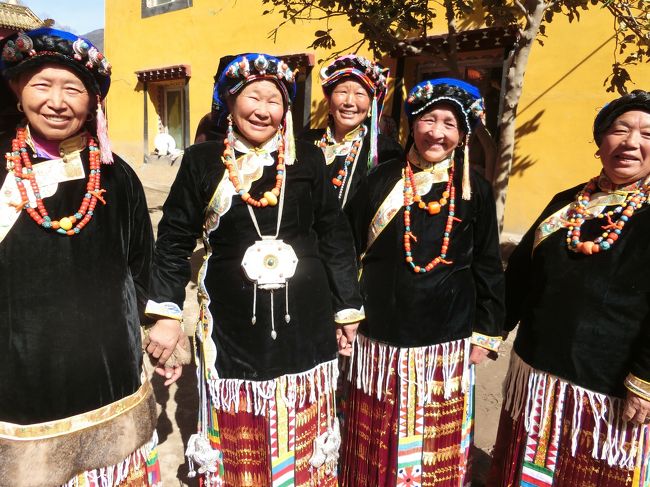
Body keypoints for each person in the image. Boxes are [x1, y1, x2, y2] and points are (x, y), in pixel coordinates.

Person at [145, 53, 364, 486]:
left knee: (302, 423)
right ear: (230, 100)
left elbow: (335, 236)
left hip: (306, 319)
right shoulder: (202, 161)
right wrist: (166, 314)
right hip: (231, 323)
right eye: (253, 96)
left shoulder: (307, 161)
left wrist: (347, 309)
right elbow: (172, 240)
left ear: (286, 110)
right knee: (240, 424)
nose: (264, 110)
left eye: (275, 100)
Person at [0, 28, 161, 486]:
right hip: (19, 378)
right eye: (41, 85)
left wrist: (123, 329)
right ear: (16, 90)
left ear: (93, 102)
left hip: (106, 371)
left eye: (72, 88)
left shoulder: (117, 175)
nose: (56, 101)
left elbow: (140, 266)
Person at [340, 78, 505, 486]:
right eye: (429, 119)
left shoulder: (475, 189)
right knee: (379, 427)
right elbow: (345, 246)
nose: (437, 132)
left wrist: (486, 331)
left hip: (445, 337)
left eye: (450, 123)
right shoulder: (380, 180)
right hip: (380, 335)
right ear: (412, 125)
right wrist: (345, 308)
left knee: (434, 436)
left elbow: (487, 262)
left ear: (463, 134)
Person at [488, 90, 650, 486]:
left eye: (647, 133)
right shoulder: (568, 202)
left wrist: (645, 381)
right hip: (537, 373)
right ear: (600, 143)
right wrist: (491, 329)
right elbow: (522, 273)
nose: (631, 142)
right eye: (620, 130)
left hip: (607, 390)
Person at [300, 55, 402, 210]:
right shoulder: (305, 143)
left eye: (359, 94)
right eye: (341, 92)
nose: (349, 102)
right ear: (329, 99)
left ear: (370, 105)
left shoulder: (385, 151)